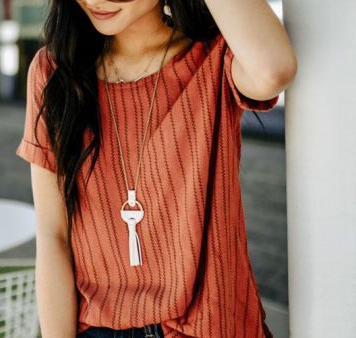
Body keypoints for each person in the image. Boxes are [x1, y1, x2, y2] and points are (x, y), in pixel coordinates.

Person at [15, 0, 297, 337]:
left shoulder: (214, 57)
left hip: (211, 326)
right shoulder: (54, 71)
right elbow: (53, 235)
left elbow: (272, 70)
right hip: (100, 328)